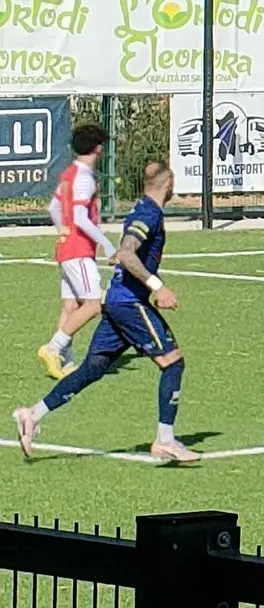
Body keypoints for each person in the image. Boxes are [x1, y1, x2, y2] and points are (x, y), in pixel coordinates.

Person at [13, 162, 198, 463]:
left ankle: (31, 415)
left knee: (92, 369)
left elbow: (125, 251)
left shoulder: (141, 209)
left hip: (116, 301)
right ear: (169, 183)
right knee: (173, 363)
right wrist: (157, 286)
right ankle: (165, 440)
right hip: (128, 303)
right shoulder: (149, 213)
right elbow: (126, 252)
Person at [38, 124, 119, 380]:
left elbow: (53, 207)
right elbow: (83, 219)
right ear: (99, 148)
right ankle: (53, 348)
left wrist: (63, 230)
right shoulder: (84, 177)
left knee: (71, 305)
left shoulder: (69, 174)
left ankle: (67, 362)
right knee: (93, 305)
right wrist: (106, 244)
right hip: (79, 250)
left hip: (65, 246)